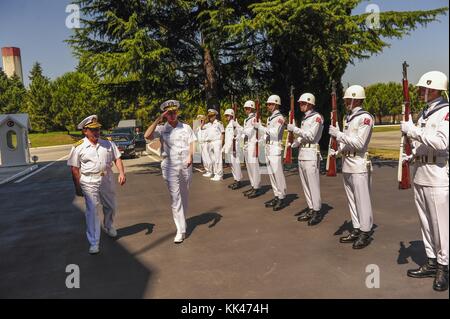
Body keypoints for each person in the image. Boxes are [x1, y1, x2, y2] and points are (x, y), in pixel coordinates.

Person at [401, 71, 449, 291]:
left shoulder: (446, 112)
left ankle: (444, 266)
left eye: (423, 88)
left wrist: (414, 132)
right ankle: (431, 261)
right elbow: (423, 142)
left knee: (441, 225)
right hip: (421, 171)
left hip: (437, 174)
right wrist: (411, 155)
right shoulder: (425, 113)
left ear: (435, 89)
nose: (420, 91)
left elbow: (441, 143)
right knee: (426, 223)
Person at [67, 115, 126, 254]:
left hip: (107, 179)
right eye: (93, 130)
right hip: (88, 181)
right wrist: (77, 186)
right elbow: (74, 168)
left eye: (98, 129)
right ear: (85, 131)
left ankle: (109, 225)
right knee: (92, 211)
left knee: (111, 206)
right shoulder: (78, 147)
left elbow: (117, 158)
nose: (96, 132)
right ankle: (94, 242)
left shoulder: (107, 144)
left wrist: (122, 173)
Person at [329, 85, 375, 249]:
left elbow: (360, 143)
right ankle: (357, 228)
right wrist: (338, 149)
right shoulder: (349, 118)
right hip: (347, 163)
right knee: (352, 200)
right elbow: (347, 142)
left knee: (362, 200)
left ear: (356, 99)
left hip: (358, 164)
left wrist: (338, 134)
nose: (346, 102)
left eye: (348, 99)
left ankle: (365, 231)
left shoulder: (365, 118)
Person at [144, 100, 196, 244]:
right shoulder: (161, 128)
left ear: (177, 112)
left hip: (185, 163)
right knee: (175, 196)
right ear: (165, 115)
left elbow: (192, 143)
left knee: (185, 193)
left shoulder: (186, 127)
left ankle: (182, 220)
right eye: (169, 113)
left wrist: (191, 155)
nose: (172, 115)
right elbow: (147, 136)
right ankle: (180, 229)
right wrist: (158, 119)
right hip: (169, 165)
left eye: (174, 112)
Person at [287, 93, 324, 225]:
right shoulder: (305, 118)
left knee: (313, 184)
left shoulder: (317, 118)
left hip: (311, 153)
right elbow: (303, 137)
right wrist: (296, 142)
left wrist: (295, 129)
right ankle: (311, 208)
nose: (300, 105)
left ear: (309, 104)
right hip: (303, 153)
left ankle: (317, 211)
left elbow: (311, 135)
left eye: (302, 103)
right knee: (305, 185)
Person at [253, 95, 287, 211]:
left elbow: (275, 133)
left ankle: (282, 197)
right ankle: (276, 195)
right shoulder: (270, 118)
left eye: (270, 104)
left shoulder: (280, 118)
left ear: (276, 104)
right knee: (272, 175)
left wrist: (261, 127)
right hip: (268, 148)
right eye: (267, 104)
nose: (268, 106)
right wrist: (261, 139)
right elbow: (267, 134)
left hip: (275, 149)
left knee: (278, 175)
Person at [241, 100, 263, 199]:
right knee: (249, 168)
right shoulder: (247, 119)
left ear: (251, 108)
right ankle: (253, 185)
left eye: (247, 108)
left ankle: (257, 187)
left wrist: (240, 129)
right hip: (247, 145)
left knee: (254, 167)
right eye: (245, 108)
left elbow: (250, 132)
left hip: (253, 144)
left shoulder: (255, 118)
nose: (245, 110)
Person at [202, 109, 225, 181]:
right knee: (213, 159)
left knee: (218, 159)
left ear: (215, 115)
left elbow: (222, 133)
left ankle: (219, 174)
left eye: (212, 116)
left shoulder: (219, 123)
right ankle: (215, 173)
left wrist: (221, 142)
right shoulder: (208, 124)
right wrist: (204, 120)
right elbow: (201, 127)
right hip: (210, 143)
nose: (210, 117)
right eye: (209, 116)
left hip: (217, 142)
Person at [223, 108, 243, 189]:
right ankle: (235, 179)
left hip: (234, 148)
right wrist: (224, 147)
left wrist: (237, 137)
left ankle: (238, 181)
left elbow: (241, 130)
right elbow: (227, 138)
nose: (227, 117)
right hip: (229, 148)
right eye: (226, 115)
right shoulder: (228, 125)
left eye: (228, 115)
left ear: (232, 115)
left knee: (236, 165)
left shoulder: (234, 123)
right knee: (232, 165)